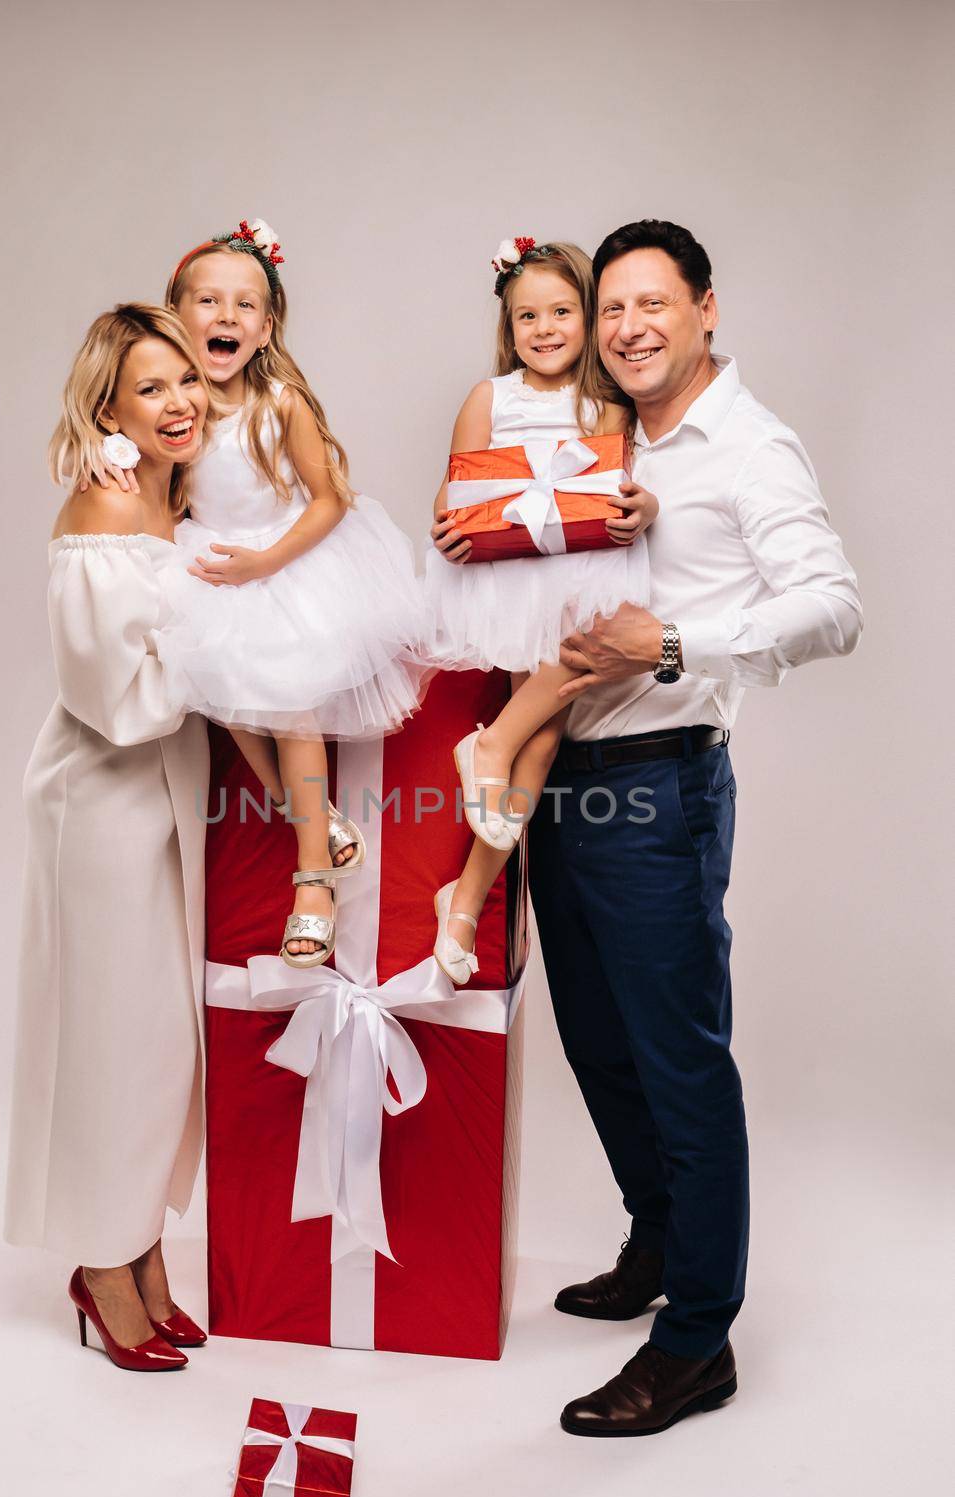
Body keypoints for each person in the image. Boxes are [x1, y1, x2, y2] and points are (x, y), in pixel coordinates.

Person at [526, 220, 863, 1435]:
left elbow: (831, 608)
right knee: (595, 1042)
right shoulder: (603, 434)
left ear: (706, 308)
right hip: (562, 777)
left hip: (661, 783)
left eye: (650, 304)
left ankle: (695, 1340)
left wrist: (667, 644)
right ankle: (655, 1240)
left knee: (677, 1061)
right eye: (608, 307)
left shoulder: (748, 448)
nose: (623, 328)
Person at [4, 303, 218, 1371]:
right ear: (107, 405)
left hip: (168, 797)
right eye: (150, 387)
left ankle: (140, 1248)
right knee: (114, 1039)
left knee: (164, 1043)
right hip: (102, 798)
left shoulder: (176, 495)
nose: (177, 401)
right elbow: (116, 704)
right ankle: (101, 1266)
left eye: (185, 378)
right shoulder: (102, 503)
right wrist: (231, 644)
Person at [155, 218, 429, 968]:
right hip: (213, 566)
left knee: (286, 697)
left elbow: (329, 499)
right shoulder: (172, 412)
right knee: (225, 687)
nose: (225, 318)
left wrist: (266, 562)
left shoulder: (278, 404)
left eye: (245, 306)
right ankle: (311, 814)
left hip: (288, 562)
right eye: (207, 302)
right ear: (175, 315)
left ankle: (313, 880)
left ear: (267, 326)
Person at [424, 238, 658, 985]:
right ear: (507, 324)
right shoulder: (491, 396)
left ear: (587, 318)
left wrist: (640, 510)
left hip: (586, 567)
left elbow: (636, 484)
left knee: (546, 737)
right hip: (519, 576)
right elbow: (456, 491)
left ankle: (462, 899)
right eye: (527, 316)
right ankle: (486, 769)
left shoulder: (611, 401)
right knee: (548, 724)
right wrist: (449, 529)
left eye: (560, 311)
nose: (545, 328)